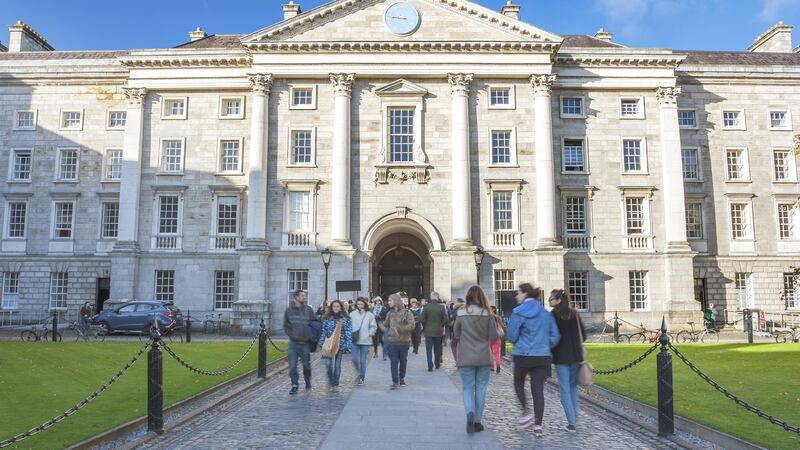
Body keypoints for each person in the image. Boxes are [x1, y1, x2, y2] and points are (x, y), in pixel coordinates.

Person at [506, 283, 560, 438]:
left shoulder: (518, 313)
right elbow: (555, 336)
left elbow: (512, 336)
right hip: (542, 356)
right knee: (538, 390)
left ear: (525, 294)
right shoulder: (546, 313)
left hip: (523, 354)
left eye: (518, 293)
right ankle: (538, 425)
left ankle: (526, 411)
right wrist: (544, 345)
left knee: (518, 383)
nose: (516, 296)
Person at [454, 285, 499, 435]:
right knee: (481, 389)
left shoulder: (461, 312)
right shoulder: (488, 314)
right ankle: (478, 422)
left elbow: (456, 333)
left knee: (467, 388)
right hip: (483, 357)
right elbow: (493, 337)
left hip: (466, 356)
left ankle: (469, 412)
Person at [549, 289, 586, 432]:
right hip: (576, 356)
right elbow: (583, 335)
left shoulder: (553, 315)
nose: (549, 301)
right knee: (572, 388)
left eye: (551, 298)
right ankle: (574, 418)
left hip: (561, 357)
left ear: (558, 300)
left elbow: (553, 336)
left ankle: (571, 423)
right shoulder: (575, 314)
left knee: (564, 388)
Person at [284, 290, 321, 395]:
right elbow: (286, 325)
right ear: (296, 297)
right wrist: (292, 335)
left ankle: (307, 380)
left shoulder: (308, 310)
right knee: (292, 366)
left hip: (305, 343)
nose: (304, 297)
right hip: (293, 344)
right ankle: (294, 384)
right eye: (302, 295)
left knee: (306, 365)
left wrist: (311, 335)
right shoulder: (288, 311)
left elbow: (314, 324)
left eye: (304, 296)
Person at [318, 300, 352, 392]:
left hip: (340, 345)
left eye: (337, 306)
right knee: (328, 365)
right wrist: (321, 343)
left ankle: (335, 384)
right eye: (334, 306)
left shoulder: (345, 319)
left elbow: (348, 333)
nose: (336, 308)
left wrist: (348, 346)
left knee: (337, 365)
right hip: (329, 344)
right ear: (331, 308)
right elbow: (324, 332)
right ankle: (331, 379)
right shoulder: (327, 318)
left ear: (340, 307)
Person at [384, 292, 416, 389]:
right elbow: (386, 324)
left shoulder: (407, 312)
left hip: (403, 342)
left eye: (390, 300)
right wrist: (382, 323)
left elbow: (412, 325)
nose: (388, 302)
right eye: (388, 300)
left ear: (396, 301)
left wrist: (400, 328)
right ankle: (395, 381)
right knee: (393, 362)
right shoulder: (389, 313)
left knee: (403, 361)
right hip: (392, 342)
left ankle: (401, 378)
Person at [350, 297, 377, 385]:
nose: (360, 306)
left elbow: (373, 326)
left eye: (361, 304)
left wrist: (369, 334)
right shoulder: (352, 314)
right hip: (355, 340)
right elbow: (349, 326)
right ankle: (358, 372)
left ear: (365, 304)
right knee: (354, 359)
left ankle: (361, 377)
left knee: (362, 360)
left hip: (365, 341)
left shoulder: (369, 315)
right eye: (358, 304)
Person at [421, 291, 448, 371]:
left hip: (428, 331)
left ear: (431, 297)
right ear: (438, 298)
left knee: (428, 349)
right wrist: (441, 325)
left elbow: (422, 319)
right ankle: (437, 364)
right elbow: (446, 319)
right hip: (438, 331)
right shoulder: (441, 307)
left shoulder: (426, 307)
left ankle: (430, 365)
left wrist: (425, 326)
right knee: (437, 348)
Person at [490, 306, 506, 374]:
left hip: (489, 337)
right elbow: (502, 326)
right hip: (497, 337)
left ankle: (492, 367)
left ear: (493, 309)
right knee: (497, 353)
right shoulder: (498, 317)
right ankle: (498, 365)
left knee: (490, 353)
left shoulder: (488, 317)